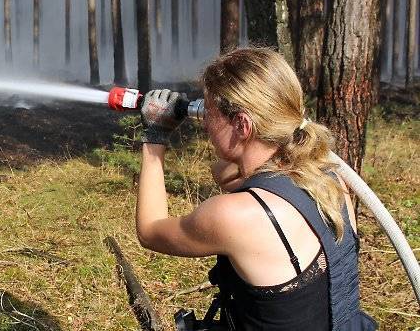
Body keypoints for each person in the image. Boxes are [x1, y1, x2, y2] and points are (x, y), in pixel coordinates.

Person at [136, 48, 377, 330]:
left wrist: (155, 136)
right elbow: (238, 174)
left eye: (209, 113)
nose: (205, 125)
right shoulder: (329, 176)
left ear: (242, 124)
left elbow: (150, 231)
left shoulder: (238, 215)